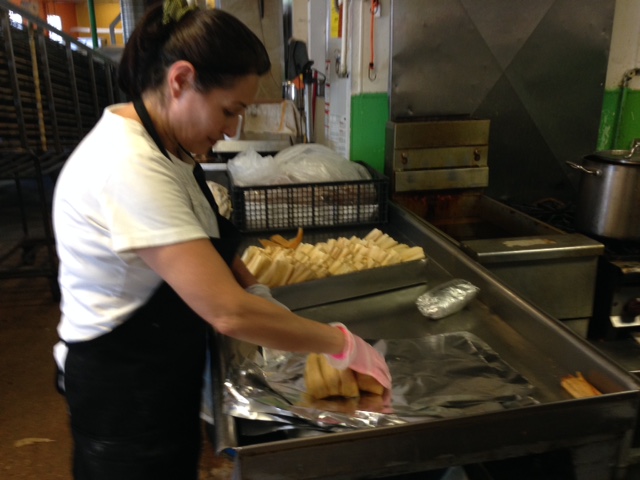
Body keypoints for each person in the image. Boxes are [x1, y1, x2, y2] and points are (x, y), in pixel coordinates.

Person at [52, 1, 392, 479]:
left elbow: (206, 248)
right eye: (229, 110)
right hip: (122, 395)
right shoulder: (127, 166)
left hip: (159, 377)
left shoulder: (170, 149)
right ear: (180, 81)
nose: (233, 129)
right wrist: (339, 344)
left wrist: (258, 293)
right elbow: (225, 312)